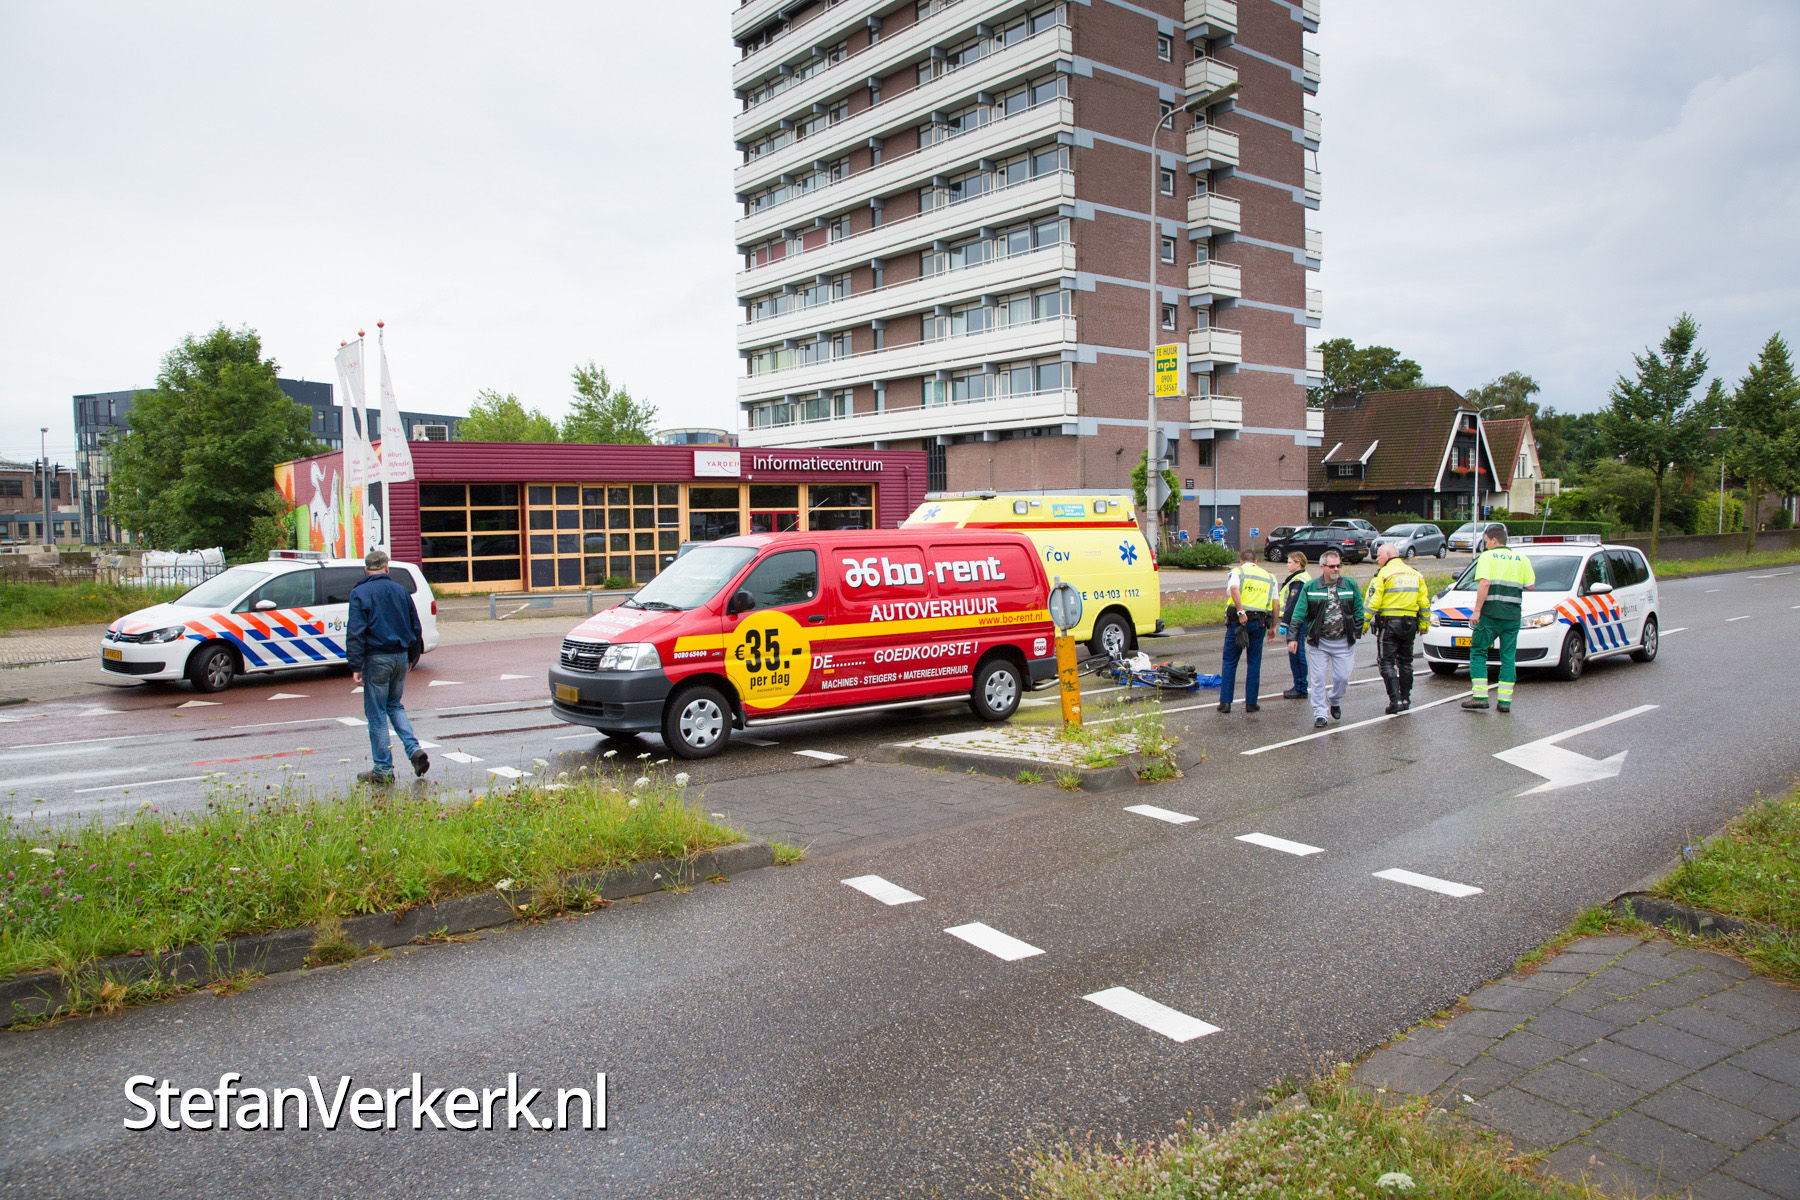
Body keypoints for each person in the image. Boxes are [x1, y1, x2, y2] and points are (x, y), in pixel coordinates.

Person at [347, 547, 429, 784]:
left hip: (377, 658)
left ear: (366, 569)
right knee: (395, 705)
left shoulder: (360, 593)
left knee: (377, 714)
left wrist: (355, 664)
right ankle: (414, 750)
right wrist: (412, 656)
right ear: (386, 567)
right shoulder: (400, 590)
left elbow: (356, 631)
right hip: (400, 656)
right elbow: (415, 626)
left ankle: (383, 769)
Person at [1463, 523, 1536, 713]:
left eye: (1486, 541)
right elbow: (1530, 585)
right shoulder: (1521, 558)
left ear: (1494, 540)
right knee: (1508, 657)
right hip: (1512, 616)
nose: (1485, 545)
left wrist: (1477, 610)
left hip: (1490, 614)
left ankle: (1480, 696)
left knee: (1478, 651)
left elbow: (1485, 584)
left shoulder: (1487, 557)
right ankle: (1504, 702)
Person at [1287, 549, 1363, 729]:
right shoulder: (1311, 587)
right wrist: (1293, 637)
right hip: (1319, 643)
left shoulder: (1350, 585)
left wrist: (1356, 631)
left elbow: (1359, 610)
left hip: (1343, 642)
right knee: (1318, 678)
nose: (1336, 569)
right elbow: (1298, 613)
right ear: (1322, 567)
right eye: (1332, 566)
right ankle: (1320, 713)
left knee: (1342, 678)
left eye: (1338, 566)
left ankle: (1334, 699)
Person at [1364, 543, 1431, 714]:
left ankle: (1395, 700)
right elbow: (1424, 603)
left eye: (1378, 556)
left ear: (1387, 554)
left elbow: (1372, 604)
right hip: (1409, 624)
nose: (1377, 559)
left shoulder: (1383, 575)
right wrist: (1424, 625)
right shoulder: (1415, 574)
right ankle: (1406, 698)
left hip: (1389, 624)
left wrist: (1363, 625)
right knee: (1406, 662)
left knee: (1386, 662)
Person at [1218, 547, 1278, 714]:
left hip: (1239, 622)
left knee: (1230, 662)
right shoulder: (1269, 576)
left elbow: (1234, 589)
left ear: (1241, 561)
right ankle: (1251, 703)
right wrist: (1273, 626)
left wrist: (1240, 611)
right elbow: (1276, 604)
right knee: (1254, 663)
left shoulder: (1237, 571)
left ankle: (1225, 703)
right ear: (1256, 562)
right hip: (1259, 623)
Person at [1277, 551, 1311, 699]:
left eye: (1290, 562)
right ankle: (1299, 685)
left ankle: (1300, 687)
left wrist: (1285, 622)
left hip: (1296, 622)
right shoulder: (1300, 578)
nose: (1288, 565)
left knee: (1296, 654)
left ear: (1298, 563)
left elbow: (1292, 604)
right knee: (1297, 653)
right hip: (1298, 621)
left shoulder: (1299, 581)